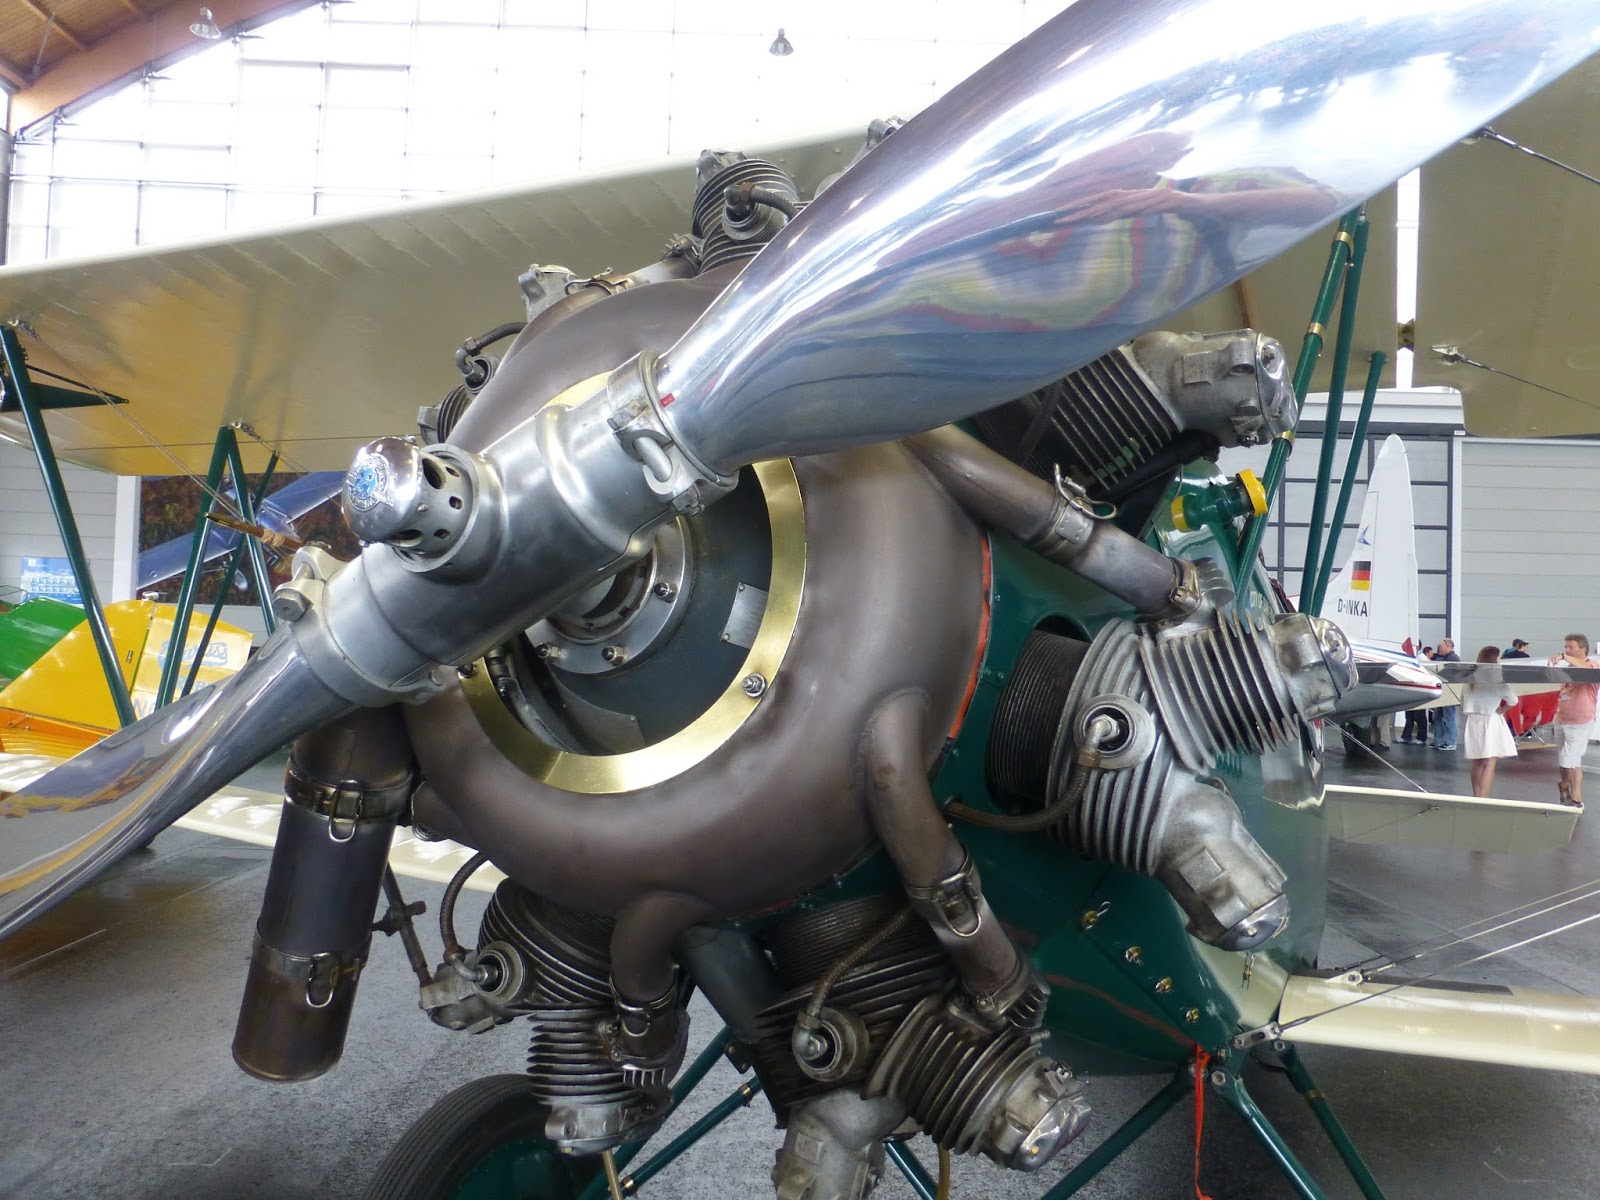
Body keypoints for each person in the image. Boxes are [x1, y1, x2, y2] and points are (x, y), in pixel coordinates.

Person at [1547, 633, 1600, 807]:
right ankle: (1576, 796)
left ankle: (1564, 785)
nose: (1567, 650)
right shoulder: (1566, 668)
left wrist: (1564, 657)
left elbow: (1587, 671)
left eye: (1571, 647)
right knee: (1573, 761)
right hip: (1562, 719)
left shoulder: (1592, 665)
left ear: (1583, 648)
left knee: (1567, 760)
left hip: (1581, 722)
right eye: (1566, 647)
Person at [1462, 646, 1517, 797]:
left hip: (1473, 720)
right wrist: (1502, 710)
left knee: (1477, 760)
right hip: (1491, 719)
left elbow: (1463, 700)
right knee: (1489, 762)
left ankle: (1476, 796)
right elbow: (1513, 700)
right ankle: (1484, 798)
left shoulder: (1470, 679)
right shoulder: (1497, 680)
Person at [1430, 638, 1460, 750]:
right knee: (1438, 716)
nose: (1439, 649)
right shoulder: (1446, 658)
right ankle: (1438, 740)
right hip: (1444, 691)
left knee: (1448, 717)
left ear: (1448, 646)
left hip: (1448, 692)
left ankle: (1451, 742)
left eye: (1441, 646)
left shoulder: (1452, 659)